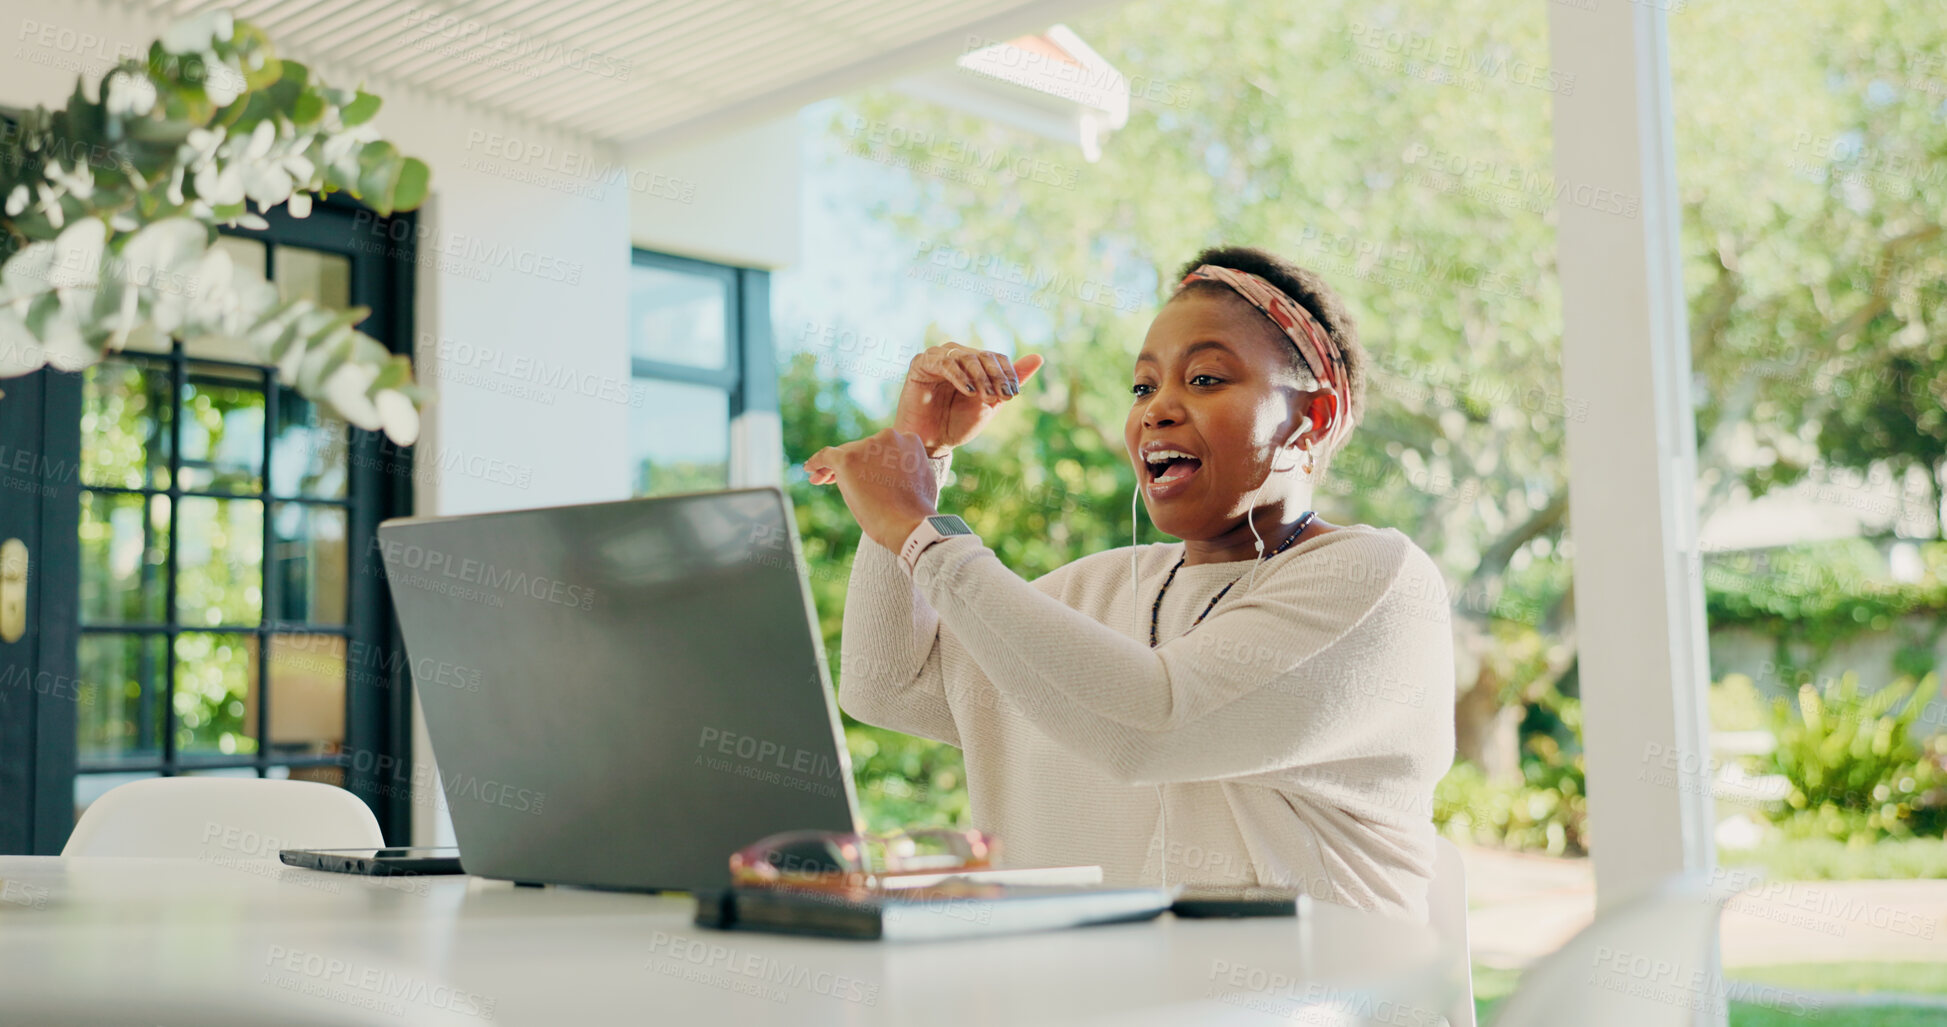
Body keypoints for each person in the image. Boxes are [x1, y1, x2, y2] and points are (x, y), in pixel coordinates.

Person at [804, 245, 1455, 921]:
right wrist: (920, 451)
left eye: (1204, 379)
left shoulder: (1375, 582)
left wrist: (917, 529)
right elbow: (887, 684)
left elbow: (1152, 726)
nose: (1157, 409)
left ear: (1309, 421)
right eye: (1143, 386)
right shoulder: (1100, 586)